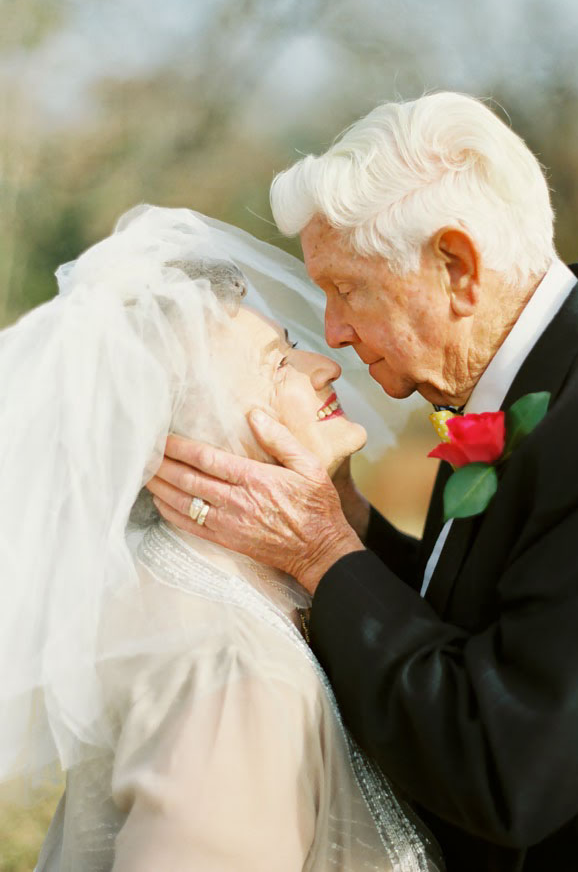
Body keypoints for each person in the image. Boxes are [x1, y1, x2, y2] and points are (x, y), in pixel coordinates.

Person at [150, 93, 578, 871]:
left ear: (457, 268)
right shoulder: (539, 384)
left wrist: (322, 553)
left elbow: (508, 770)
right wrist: (357, 525)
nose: (333, 333)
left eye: (347, 288)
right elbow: (489, 617)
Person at [0, 205, 443, 871]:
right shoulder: (231, 667)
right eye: (278, 363)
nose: (322, 366)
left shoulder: (195, 589)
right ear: (199, 431)